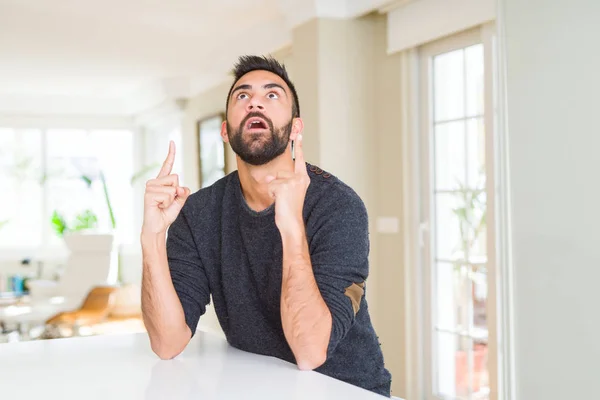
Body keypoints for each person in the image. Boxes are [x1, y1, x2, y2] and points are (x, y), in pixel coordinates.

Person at [140, 55, 392, 397]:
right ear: (226, 131)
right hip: (260, 388)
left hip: (347, 389)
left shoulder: (338, 206)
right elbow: (167, 343)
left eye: (272, 95)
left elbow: (309, 352)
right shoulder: (199, 212)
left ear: (295, 128)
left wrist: (291, 227)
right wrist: (153, 237)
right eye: (242, 96)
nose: (255, 101)